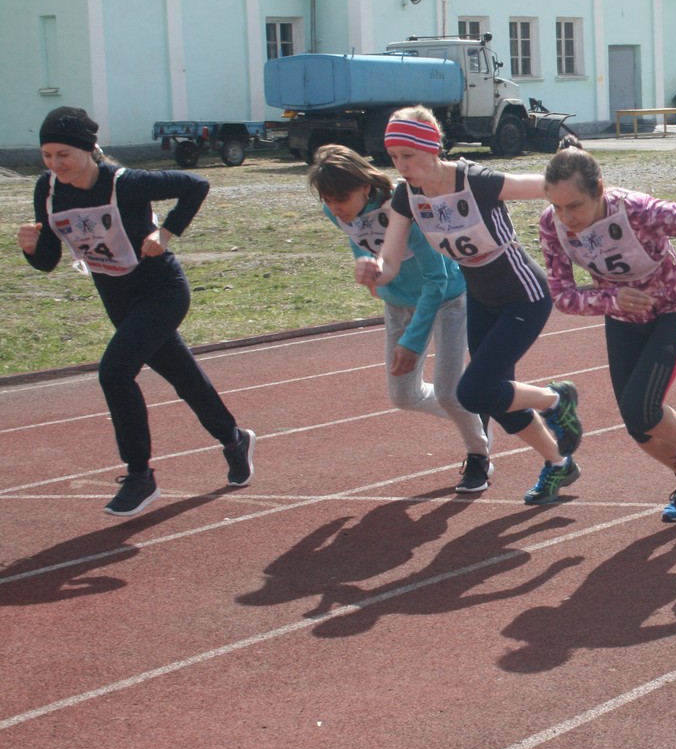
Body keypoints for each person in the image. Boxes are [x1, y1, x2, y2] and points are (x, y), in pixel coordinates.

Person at [16, 106, 254, 516]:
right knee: (182, 375)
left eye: (63, 155)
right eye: (48, 155)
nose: (55, 164)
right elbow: (49, 259)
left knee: (114, 372)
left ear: (89, 150)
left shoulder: (125, 184)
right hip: (118, 297)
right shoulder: (48, 189)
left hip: (162, 290)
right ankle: (234, 438)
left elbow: (196, 183)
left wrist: (165, 233)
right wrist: (31, 250)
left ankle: (140, 476)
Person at [354, 107, 582, 505]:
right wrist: (374, 269)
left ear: (432, 147)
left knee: (475, 391)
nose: (400, 165)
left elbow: (545, 187)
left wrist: (577, 167)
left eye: (408, 155)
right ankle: (558, 463)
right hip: (481, 299)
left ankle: (555, 399)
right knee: (498, 398)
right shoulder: (406, 196)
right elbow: (390, 263)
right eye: (393, 157)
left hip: (523, 295)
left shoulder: (474, 181)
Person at [538, 139, 676, 522]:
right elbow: (563, 296)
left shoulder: (638, 212)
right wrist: (612, 300)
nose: (566, 217)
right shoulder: (551, 227)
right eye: (557, 206)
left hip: (672, 311)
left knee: (644, 408)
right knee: (638, 427)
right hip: (623, 319)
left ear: (600, 190)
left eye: (575, 206)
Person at [307, 144, 490, 492]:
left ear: (364, 186)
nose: (335, 210)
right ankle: (473, 413)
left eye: (340, 199)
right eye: (328, 201)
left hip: (447, 299)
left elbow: (437, 280)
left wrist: (412, 341)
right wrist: (371, 273)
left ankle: (479, 454)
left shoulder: (404, 211)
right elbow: (359, 238)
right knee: (403, 396)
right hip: (397, 304)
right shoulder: (335, 211)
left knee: (450, 392)